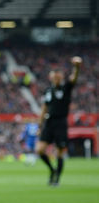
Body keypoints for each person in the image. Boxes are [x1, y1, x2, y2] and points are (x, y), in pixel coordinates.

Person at [36, 56, 82, 186]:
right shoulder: (48, 90)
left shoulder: (66, 88)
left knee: (59, 152)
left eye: (58, 76)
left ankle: (57, 179)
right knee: (40, 149)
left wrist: (77, 67)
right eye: (54, 76)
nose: (56, 78)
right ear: (51, 77)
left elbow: (74, 78)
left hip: (61, 122)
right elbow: (44, 108)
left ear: (61, 77)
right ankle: (52, 170)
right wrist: (40, 125)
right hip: (49, 122)